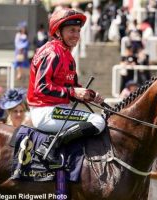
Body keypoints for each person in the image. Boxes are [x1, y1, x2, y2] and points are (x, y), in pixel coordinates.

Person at [27, 8, 106, 166]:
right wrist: (73, 92)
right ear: (58, 32)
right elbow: (41, 88)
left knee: (103, 118)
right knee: (98, 121)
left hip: (57, 109)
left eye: (78, 30)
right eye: (71, 30)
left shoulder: (67, 55)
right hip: (46, 112)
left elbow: (72, 88)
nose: (76, 35)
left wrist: (90, 95)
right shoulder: (51, 53)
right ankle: (51, 146)